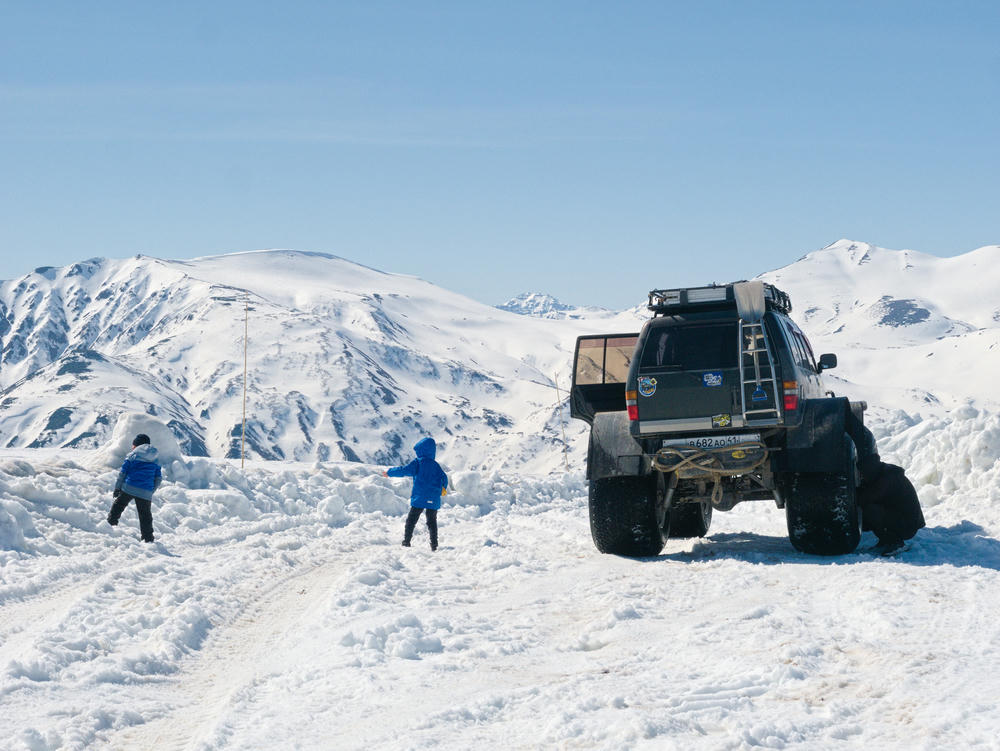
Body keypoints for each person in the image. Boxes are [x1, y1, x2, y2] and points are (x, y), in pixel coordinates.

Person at [383, 437, 448, 551]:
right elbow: (444, 478)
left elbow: (404, 470)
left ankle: (406, 541)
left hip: (420, 497)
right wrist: (443, 489)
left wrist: (389, 472)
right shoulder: (436, 465)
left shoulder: (418, 462)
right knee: (432, 522)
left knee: (412, 520)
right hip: (433, 498)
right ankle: (434, 545)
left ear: (421, 450)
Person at [107, 433, 163, 543]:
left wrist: (117, 488)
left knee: (118, 506)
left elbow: (122, 474)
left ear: (136, 445)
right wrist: (150, 491)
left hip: (129, 487)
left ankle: (109, 526)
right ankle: (148, 539)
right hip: (146, 491)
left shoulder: (132, 455)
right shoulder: (155, 458)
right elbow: (158, 478)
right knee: (145, 516)